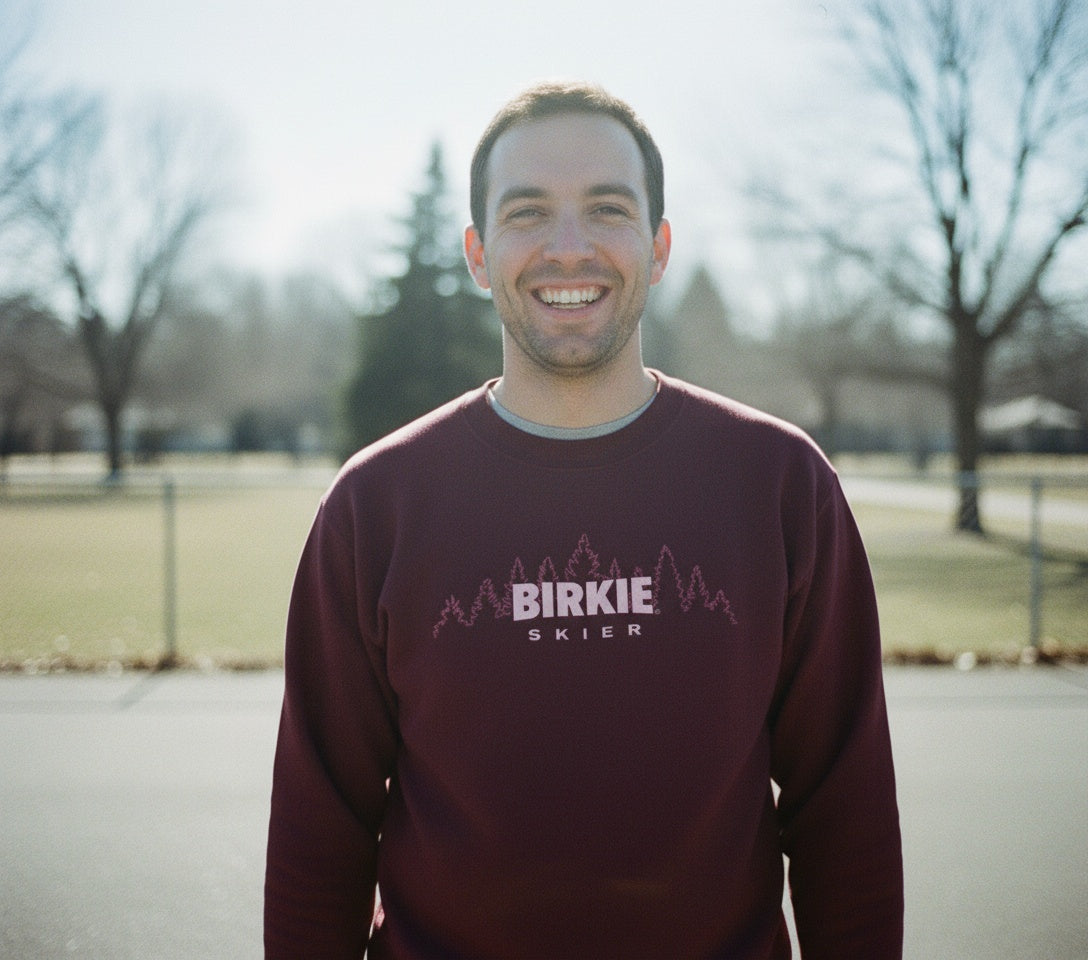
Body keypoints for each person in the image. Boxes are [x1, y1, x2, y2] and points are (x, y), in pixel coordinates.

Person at [264, 81, 903, 959]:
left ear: (659, 245)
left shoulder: (781, 484)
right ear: (479, 254)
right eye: (528, 213)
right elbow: (318, 826)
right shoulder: (376, 505)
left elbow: (846, 808)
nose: (570, 249)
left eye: (608, 208)